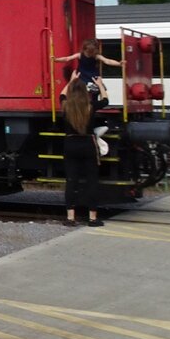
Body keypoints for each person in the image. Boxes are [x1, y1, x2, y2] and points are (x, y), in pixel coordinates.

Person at [59, 75, 109, 227]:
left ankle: (70, 217)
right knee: (91, 181)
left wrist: (71, 80)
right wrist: (100, 85)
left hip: (70, 144)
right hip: (88, 144)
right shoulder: (90, 106)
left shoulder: (66, 105)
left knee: (71, 180)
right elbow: (106, 100)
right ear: (85, 92)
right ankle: (93, 218)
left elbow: (61, 94)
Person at [54, 38, 121, 98]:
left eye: (91, 52)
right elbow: (67, 58)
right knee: (80, 92)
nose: (89, 54)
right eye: (88, 52)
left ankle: (93, 105)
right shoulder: (80, 55)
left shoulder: (96, 56)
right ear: (84, 49)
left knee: (94, 93)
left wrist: (119, 64)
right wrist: (56, 60)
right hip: (82, 76)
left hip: (92, 76)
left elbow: (107, 61)